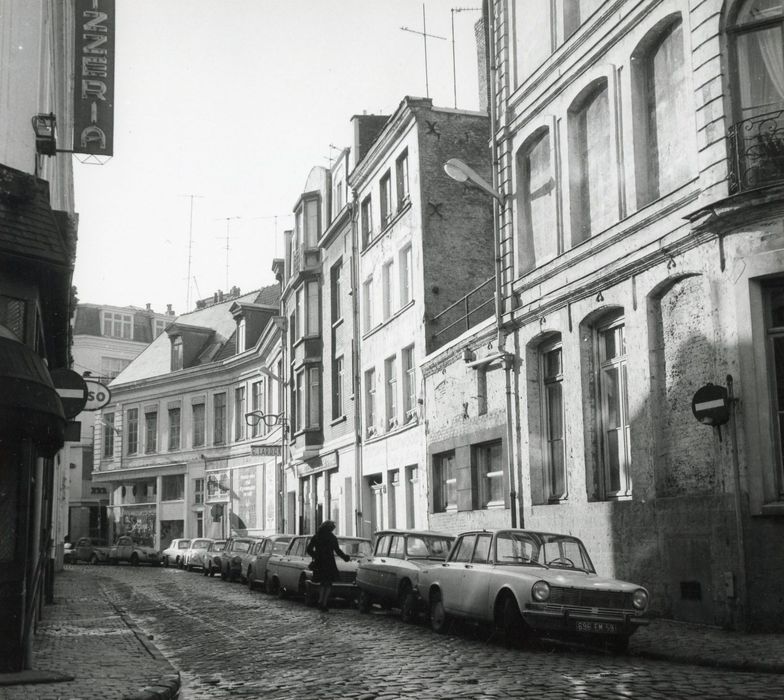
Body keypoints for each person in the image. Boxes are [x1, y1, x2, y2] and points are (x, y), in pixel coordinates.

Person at [306, 520, 350, 612]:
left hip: (319, 563)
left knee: (322, 583)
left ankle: (320, 601)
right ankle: (324, 603)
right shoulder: (332, 537)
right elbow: (337, 550)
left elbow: (309, 549)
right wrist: (345, 557)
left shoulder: (317, 536)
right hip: (329, 562)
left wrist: (316, 556)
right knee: (328, 584)